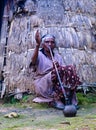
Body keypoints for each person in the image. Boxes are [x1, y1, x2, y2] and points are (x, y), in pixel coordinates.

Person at [30, 30, 81, 110]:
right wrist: (37, 45)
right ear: (43, 44)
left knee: (70, 68)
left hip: (56, 81)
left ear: (54, 45)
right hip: (43, 84)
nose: (50, 44)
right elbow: (33, 61)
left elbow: (64, 71)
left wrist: (58, 67)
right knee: (56, 72)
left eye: (52, 42)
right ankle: (56, 99)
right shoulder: (39, 55)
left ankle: (69, 98)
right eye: (47, 42)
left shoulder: (57, 56)